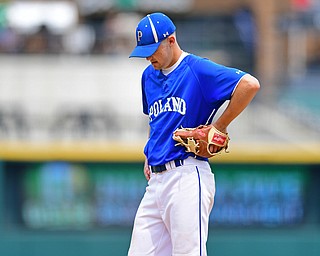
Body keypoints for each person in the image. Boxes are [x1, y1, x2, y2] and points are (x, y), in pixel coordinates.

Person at [128, 12, 260, 256]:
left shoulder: (197, 70)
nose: (148, 56)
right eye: (144, 50)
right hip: (156, 181)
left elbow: (249, 84)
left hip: (187, 175)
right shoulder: (148, 76)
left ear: (171, 40)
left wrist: (219, 126)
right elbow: (156, 120)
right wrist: (150, 151)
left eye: (152, 48)